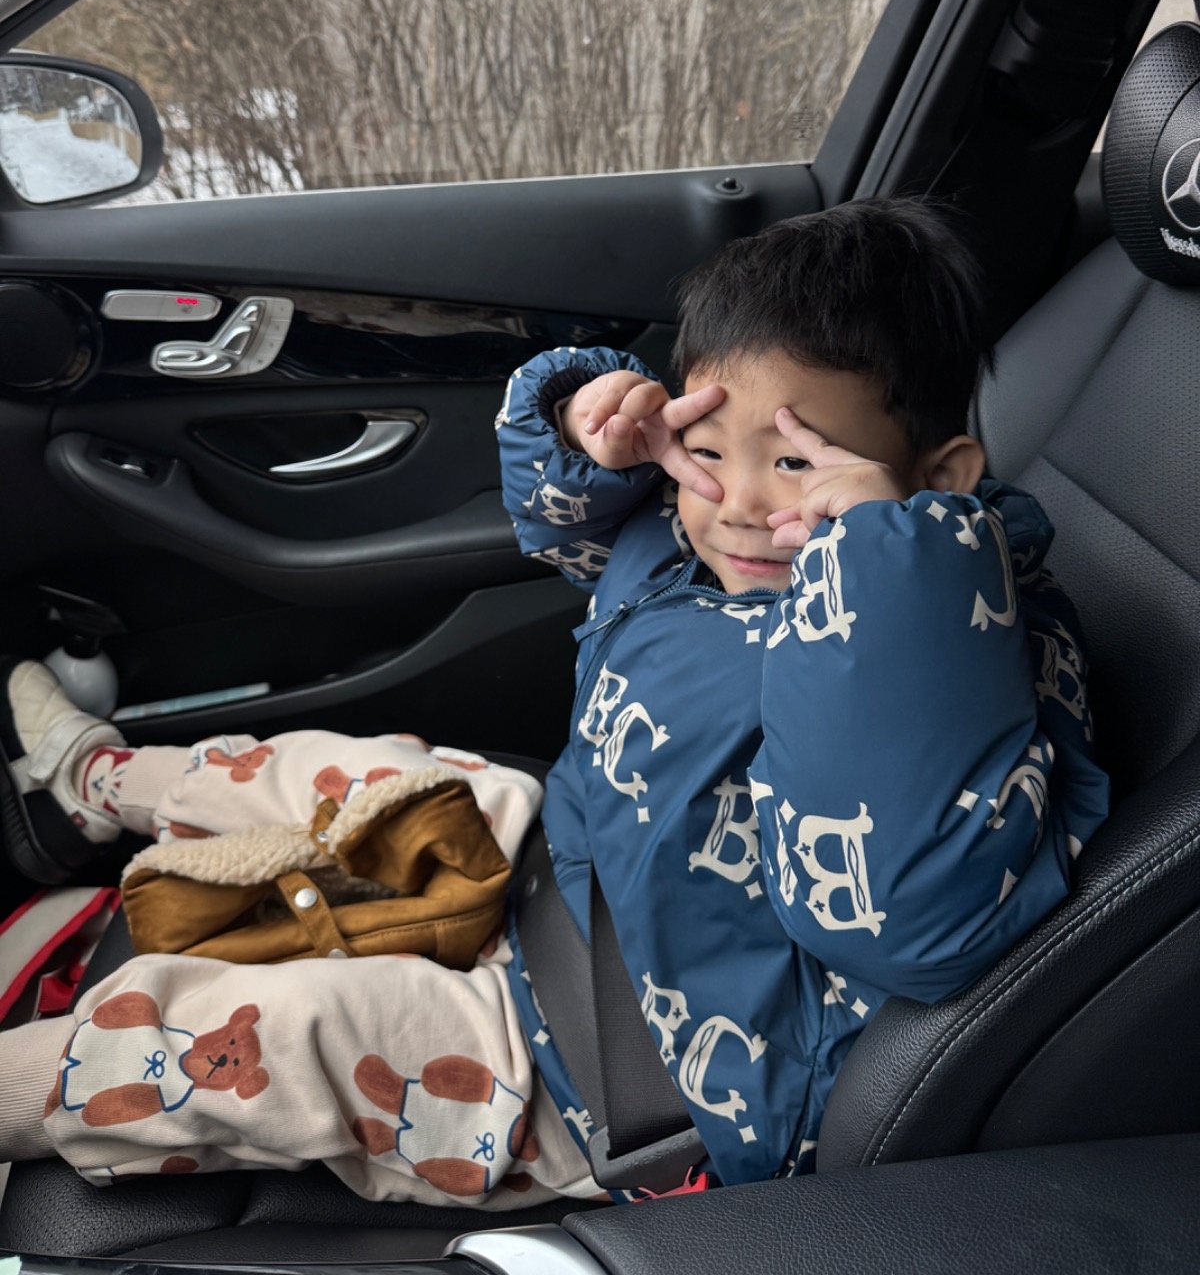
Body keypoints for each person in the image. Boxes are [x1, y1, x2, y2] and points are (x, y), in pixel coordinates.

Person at [0, 197, 1109, 1204]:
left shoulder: (952, 642)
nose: (742, 504)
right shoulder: (705, 543)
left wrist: (876, 577)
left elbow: (907, 917)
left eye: (800, 464)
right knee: (353, 767)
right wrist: (592, 434)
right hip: (563, 864)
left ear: (941, 481)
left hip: (600, 1072)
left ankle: (22, 1085)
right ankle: (90, 788)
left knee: (275, 1035)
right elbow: (580, 536)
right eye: (708, 446)